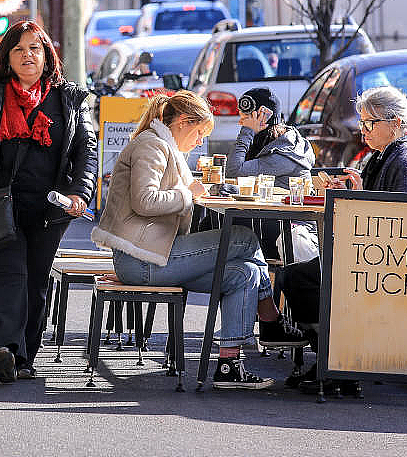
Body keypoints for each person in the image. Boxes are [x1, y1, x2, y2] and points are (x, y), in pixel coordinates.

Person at [91, 92, 307, 389]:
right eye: (199, 133)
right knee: (244, 238)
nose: (199, 141)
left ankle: (229, 366)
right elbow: (144, 200)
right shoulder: (151, 145)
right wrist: (188, 195)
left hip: (151, 256)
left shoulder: (163, 146)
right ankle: (270, 318)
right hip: (143, 259)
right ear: (182, 122)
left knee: (247, 273)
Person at [0, 20, 98, 383]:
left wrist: (80, 192)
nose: (27, 55)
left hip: (48, 209)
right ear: (6, 58)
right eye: (18, 49)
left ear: (47, 55)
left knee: (36, 281)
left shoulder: (70, 98)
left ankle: (25, 355)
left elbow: (86, 150)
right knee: (6, 275)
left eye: (34, 48)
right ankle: (3, 349)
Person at [286, 85, 407, 395]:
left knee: (300, 278)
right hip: (373, 256)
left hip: (390, 267)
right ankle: (334, 358)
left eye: (370, 123)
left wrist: (351, 199)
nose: (363, 130)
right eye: (362, 122)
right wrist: (350, 190)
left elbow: (402, 229)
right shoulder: (386, 154)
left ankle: (338, 361)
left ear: (395, 123)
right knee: (298, 274)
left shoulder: (404, 161)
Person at [225, 87, 316, 261]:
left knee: (222, 229)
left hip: (289, 229)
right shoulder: (269, 142)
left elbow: (234, 172)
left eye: (245, 119)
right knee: (216, 225)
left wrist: (247, 131)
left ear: (263, 117)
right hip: (273, 220)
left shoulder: (284, 152)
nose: (240, 123)